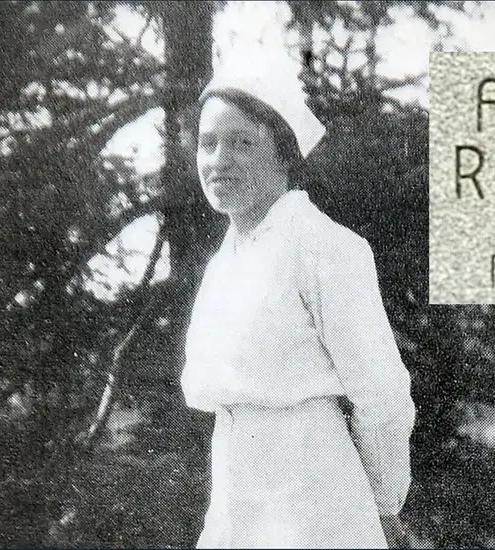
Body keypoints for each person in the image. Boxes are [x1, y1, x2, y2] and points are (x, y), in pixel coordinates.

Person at [179, 55, 416, 549]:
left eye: (243, 142)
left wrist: (381, 503)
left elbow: (383, 397)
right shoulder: (224, 265)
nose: (219, 160)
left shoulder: (323, 247)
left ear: (283, 154)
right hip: (235, 499)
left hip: (313, 502)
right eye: (208, 143)